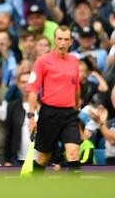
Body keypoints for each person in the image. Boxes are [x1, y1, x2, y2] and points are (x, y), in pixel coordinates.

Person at [26, 26, 82, 174]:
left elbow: (76, 88)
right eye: (60, 39)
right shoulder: (42, 61)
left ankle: (77, 192)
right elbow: (32, 89)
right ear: (54, 40)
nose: (62, 43)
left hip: (69, 113)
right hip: (49, 112)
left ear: (71, 42)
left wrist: (77, 111)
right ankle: (35, 188)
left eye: (66, 39)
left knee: (73, 153)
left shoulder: (74, 60)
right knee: (44, 157)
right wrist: (31, 116)